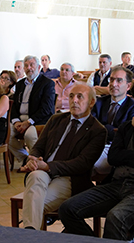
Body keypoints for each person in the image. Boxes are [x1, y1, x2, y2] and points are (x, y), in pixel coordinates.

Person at [59, 75, 134, 243]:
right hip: (119, 183)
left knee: (115, 218)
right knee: (68, 209)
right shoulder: (126, 126)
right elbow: (114, 157)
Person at [20, 83, 106, 230]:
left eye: (80, 97)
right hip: (42, 172)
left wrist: (47, 166)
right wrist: (33, 159)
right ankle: (31, 236)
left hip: (69, 178)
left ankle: (29, 234)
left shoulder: (97, 130)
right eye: (71, 96)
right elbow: (38, 147)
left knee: (35, 203)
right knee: (35, 177)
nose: (74, 101)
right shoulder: (56, 119)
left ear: (91, 102)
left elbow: (82, 164)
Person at [8, 55, 55, 164]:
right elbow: (14, 106)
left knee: (29, 135)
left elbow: (46, 109)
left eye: (32, 65)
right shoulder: (20, 84)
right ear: (24, 69)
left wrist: (28, 122)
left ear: (38, 67)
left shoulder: (47, 83)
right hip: (20, 119)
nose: (29, 68)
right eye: (26, 66)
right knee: (6, 134)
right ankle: (26, 159)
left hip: (37, 119)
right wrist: (16, 122)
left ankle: (40, 162)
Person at [90, 66, 134, 175]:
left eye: (119, 80)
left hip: (117, 149)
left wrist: (104, 128)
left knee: (90, 161)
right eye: (111, 79)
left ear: (128, 86)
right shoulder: (99, 102)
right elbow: (91, 127)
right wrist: (113, 129)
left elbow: (125, 134)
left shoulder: (133, 106)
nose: (113, 84)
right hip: (95, 144)